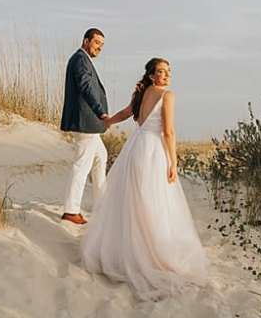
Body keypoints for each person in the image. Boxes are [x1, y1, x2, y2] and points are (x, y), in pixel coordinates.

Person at [80, 57, 208, 301]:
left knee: (133, 201)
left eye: (168, 71)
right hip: (152, 151)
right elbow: (168, 131)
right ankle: (151, 254)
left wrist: (107, 121)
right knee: (153, 203)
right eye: (161, 71)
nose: (167, 75)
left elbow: (126, 113)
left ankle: (128, 251)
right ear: (152, 75)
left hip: (134, 149)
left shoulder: (142, 92)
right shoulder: (166, 95)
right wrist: (173, 160)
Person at [60, 28, 109, 225]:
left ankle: (102, 206)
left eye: (102, 45)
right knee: (82, 165)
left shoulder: (83, 59)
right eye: (96, 43)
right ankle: (71, 210)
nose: (99, 48)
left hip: (90, 125)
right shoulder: (80, 59)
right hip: (86, 122)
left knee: (100, 157)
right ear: (86, 40)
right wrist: (101, 112)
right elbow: (86, 86)